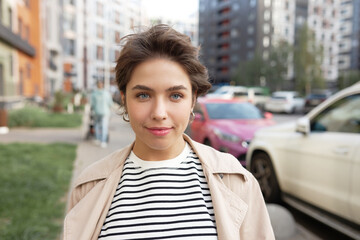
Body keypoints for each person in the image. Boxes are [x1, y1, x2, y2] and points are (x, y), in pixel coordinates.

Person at [63, 24, 275, 240]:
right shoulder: (89, 186)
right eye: (143, 95)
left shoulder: (237, 182)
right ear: (124, 99)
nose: (159, 113)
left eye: (175, 96)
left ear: (193, 99)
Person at [90, 80, 113, 148]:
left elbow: (92, 104)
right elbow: (110, 103)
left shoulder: (94, 93)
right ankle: (103, 142)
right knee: (104, 127)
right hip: (105, 112)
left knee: (96, 125)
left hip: (96, 112)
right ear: (102, 85)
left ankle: (97, 139)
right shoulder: (106, 93)